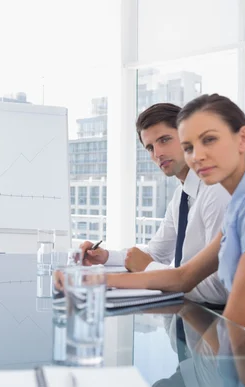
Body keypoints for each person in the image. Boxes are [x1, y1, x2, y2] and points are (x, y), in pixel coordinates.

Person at [104, 94, 245, 332]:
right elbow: (184, 277)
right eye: (189, 147)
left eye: (209, 140)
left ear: (243, 139)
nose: (197, 156)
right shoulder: (243, 201)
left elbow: (237, 317)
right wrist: (94, 281)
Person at [81, 103, 230, 305]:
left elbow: (220, 289)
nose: (157, 154)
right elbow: (154, 253)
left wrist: (149, 269)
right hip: (187, 314)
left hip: (216, 321)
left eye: (165, 140)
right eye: (150, 147)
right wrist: (105, 256)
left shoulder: (217, 190)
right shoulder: (181, 195)